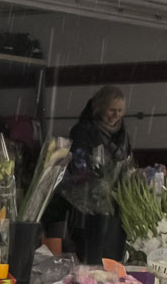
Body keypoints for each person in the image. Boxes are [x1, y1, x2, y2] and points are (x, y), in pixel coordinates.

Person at [50, 86, 132, 261]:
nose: (115, 115)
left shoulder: (122, 137)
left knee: (111, 257)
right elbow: (78, 165)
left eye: (119, 111)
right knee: (90, 255)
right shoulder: (83, 131)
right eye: (111, 110)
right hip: (87, 209)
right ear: (100, 108)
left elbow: (128, 164)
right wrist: (96, 182)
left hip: (115, 211)